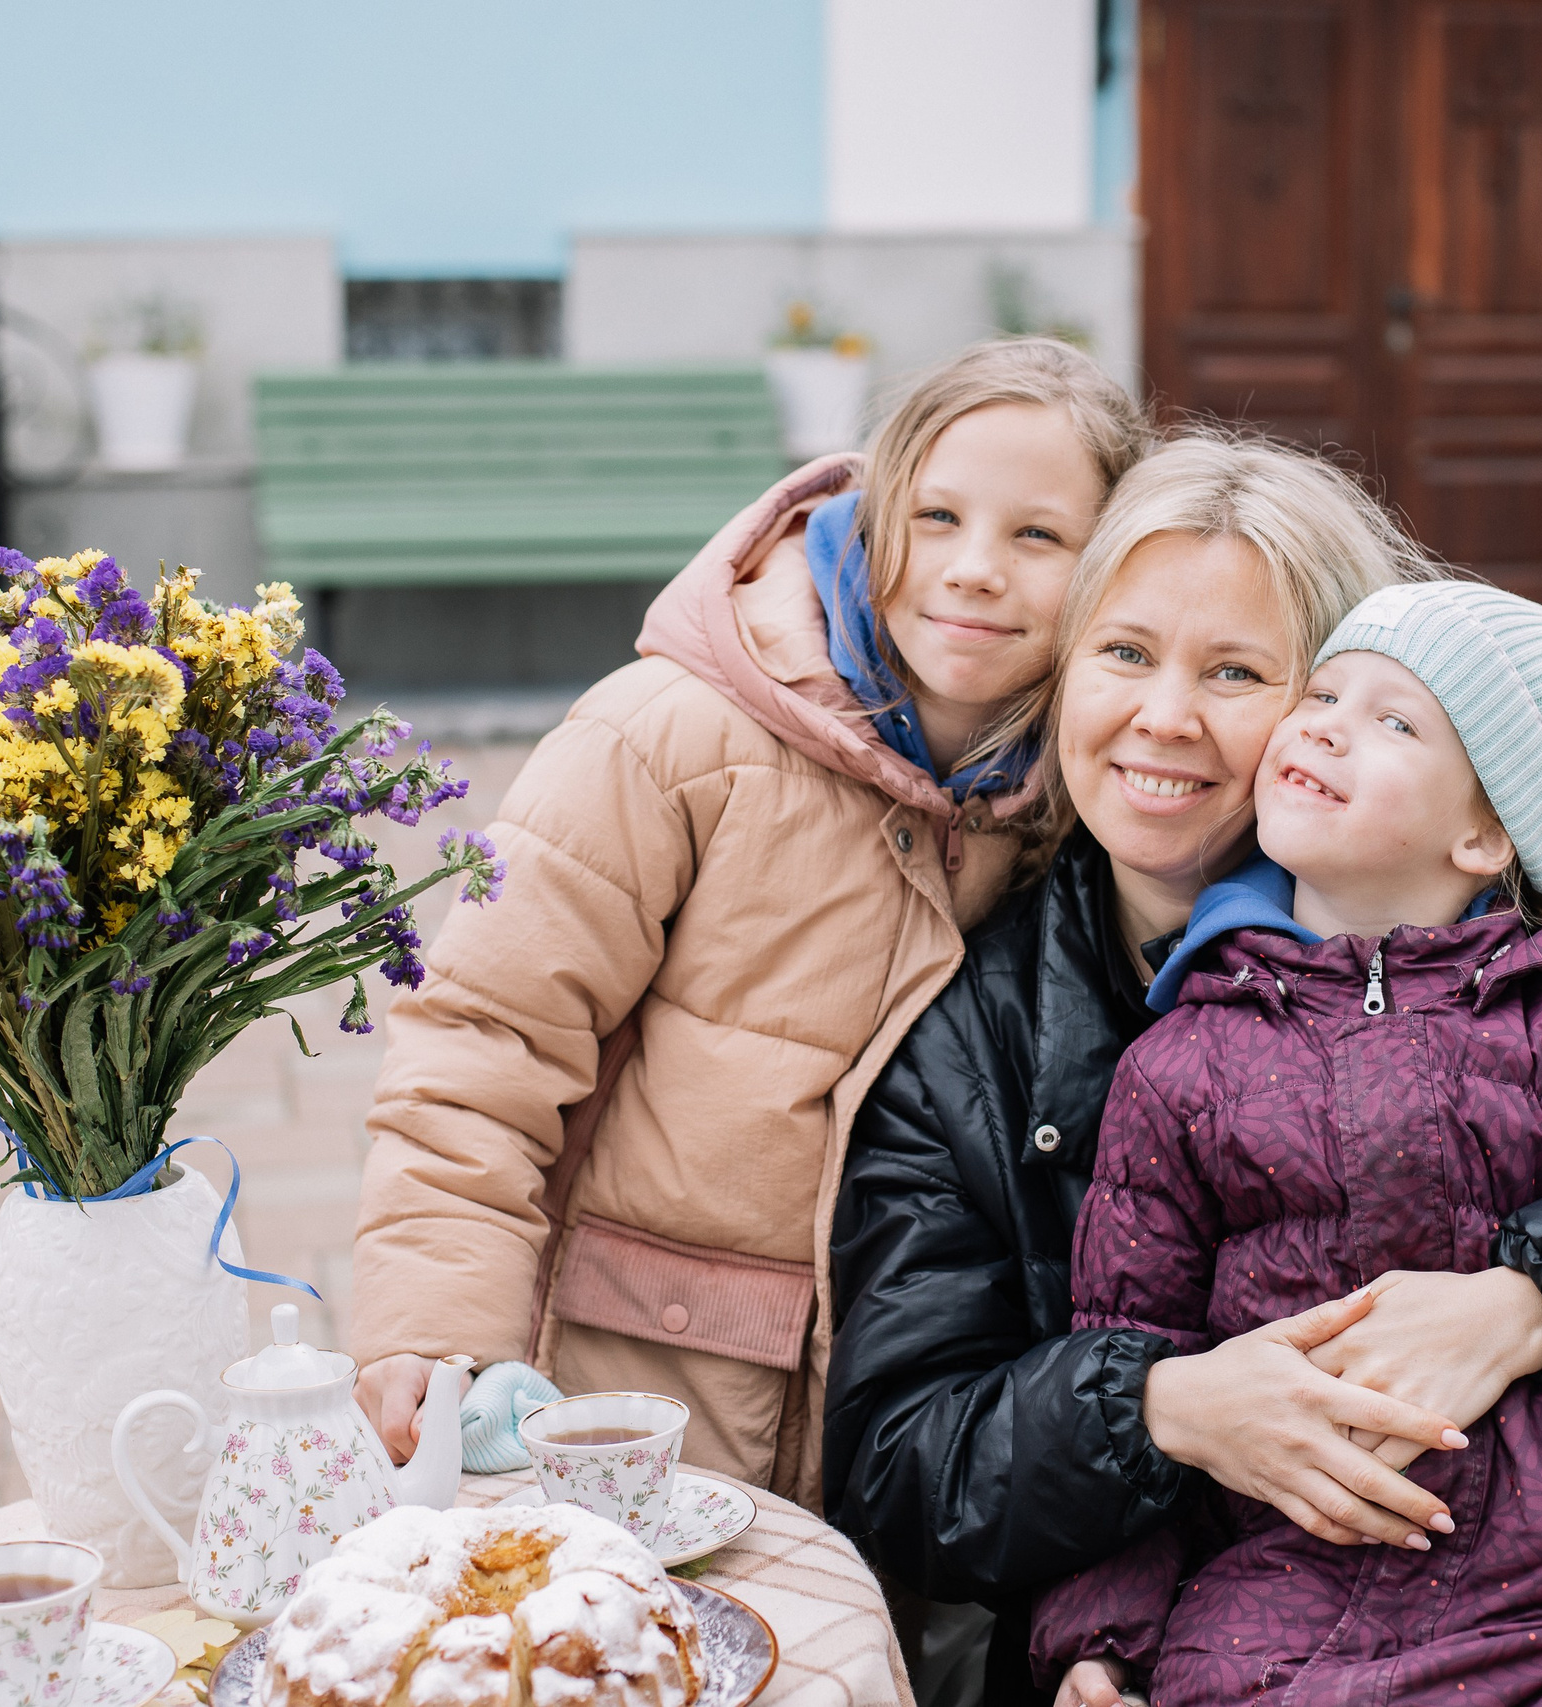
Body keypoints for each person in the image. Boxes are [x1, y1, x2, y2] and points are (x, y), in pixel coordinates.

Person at [824, 435, 1542, 1705]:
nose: (1163, 717)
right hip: (1223, 1642)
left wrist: (1532, 1305)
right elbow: (902, 1462)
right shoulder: (975, 1032)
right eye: (1122, 654)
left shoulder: (1540, 952)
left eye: (1238, 671)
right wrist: (1163, 1410)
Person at [348, 339, 1153, 1502]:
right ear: (875, 516)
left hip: (897, 1422)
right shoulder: (669, 739)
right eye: (936, 517)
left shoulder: (1074, 799)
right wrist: (431, 1327)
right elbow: (484, 1038)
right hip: (631, 1402)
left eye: (1038, 536)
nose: (975, 569)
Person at [1030, 580, 1542, 1707]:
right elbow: (1128, 1354)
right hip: (1267, 1614)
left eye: (1395, 722)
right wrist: (1101, 1633)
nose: (1327, 722)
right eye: (1324, 692)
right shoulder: (1179, 1064)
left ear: (1487, 833)